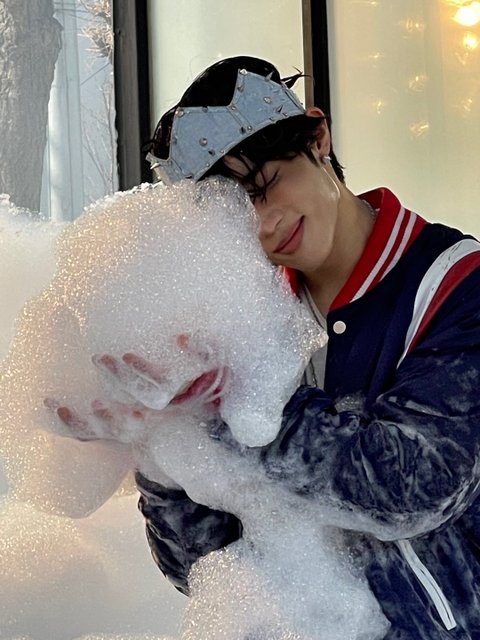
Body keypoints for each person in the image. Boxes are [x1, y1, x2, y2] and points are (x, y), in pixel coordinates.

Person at [133, 55, 480, 638]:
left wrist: (242, 399)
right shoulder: (249, 317)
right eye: (235, 218)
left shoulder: (455, 285)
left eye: (266, 186)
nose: (264, 225)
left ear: (318, 138)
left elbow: (419, 487)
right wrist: (159, 441)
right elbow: (203, 568)